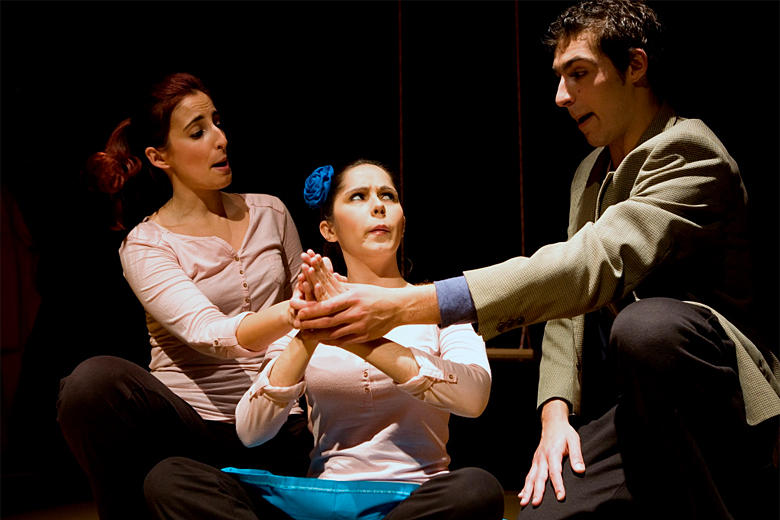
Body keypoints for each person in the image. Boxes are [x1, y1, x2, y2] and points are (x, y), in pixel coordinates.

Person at [288, 2, 780, 519]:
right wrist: (555, 415)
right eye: (560, 77)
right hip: (636, 405)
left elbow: (591, 264)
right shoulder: (591, 171)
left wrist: (408, 305)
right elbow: (570, 305)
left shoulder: (689, 150)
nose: (561, 96)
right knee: (543, 511)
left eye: (579, 74)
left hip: (716, 397)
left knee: (647, 327)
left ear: (635, 66)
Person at [142, 160, 506, 519]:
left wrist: (358, 338)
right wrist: (308, 335)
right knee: (171, 478)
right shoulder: (309, 315)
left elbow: (474, 398)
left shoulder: (438, 308)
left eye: (388, 196)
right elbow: (252, 431)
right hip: (324, 502)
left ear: (403, 222)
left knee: (476, 489)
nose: (378, 205)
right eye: (358, 196)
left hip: (417, 500)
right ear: (328, 229)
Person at [56, 72, 312, 520]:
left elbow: (304, 309)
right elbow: (209, 333)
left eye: (217, 122)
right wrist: (295, 313)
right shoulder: (146, 243)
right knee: (90, 383)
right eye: (198, 132)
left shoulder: (271, 211)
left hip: (278, 417)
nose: (220, 139)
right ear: (159, 157)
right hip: (195, 429)